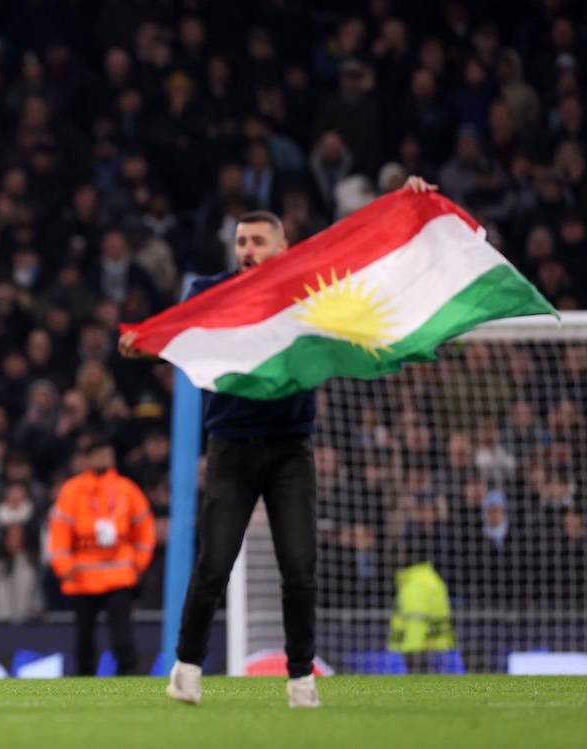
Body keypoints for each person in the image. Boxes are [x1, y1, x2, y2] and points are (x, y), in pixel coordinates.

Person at [121, 176, 438, 708]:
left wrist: (407, 205)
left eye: (257, 241)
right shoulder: (211, 294)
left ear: (283, 248)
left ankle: (300, 679)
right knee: (214, 565)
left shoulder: (310, 293)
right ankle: (187, 668)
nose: (247, 250)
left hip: (291, 448)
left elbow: (369, 256)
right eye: (241, 242)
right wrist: (144, 342)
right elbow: (174, 333)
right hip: (231, 447)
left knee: (299, 567)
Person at [47, 438, 155, 676]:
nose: (105, 459)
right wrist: (63, 566)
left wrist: (139, 562)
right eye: (99, 454)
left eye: (108, 454)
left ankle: (129, 678)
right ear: (87, 458)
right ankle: (85, 680)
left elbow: (144, 528)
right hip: (82, 577)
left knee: (122, 635)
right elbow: (60, 532)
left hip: (119, 575)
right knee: (84, 637)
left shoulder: (126, 489)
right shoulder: (72, 491)